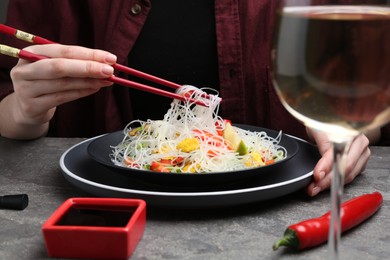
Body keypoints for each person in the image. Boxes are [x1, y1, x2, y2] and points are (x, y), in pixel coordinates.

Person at [0, 1, 386, 197]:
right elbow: (7, 103)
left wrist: (345, 120)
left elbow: (366, 84)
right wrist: (25, 109)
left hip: (289, 200)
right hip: (102, 206)